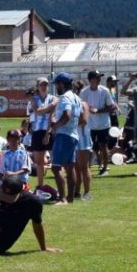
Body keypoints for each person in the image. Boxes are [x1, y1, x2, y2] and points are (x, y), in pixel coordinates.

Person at [46, 72, 82, 202]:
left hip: (64, 135)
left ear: (61, 84)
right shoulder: (76, 97)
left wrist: (56, 126)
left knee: (56, 167)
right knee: (70, 167)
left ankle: (62, 199)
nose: (56, 87)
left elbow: (66, 115)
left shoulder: (64, 98)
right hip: (73, 134)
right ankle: (70, 197)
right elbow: (80, 117)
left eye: (57, 84)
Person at [80, 70, 114, 176]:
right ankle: (87, 168)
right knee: (90, 148)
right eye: (97, 77)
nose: (99, 79)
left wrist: (98, 111)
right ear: (90, 80)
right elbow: (81, 105)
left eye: (99, 77)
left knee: (103, 146)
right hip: (89, 125)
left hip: (103, 124)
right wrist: (89, 109)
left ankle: (104, 168)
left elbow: (111, 106)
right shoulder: (84, 92)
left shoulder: (105, 91)